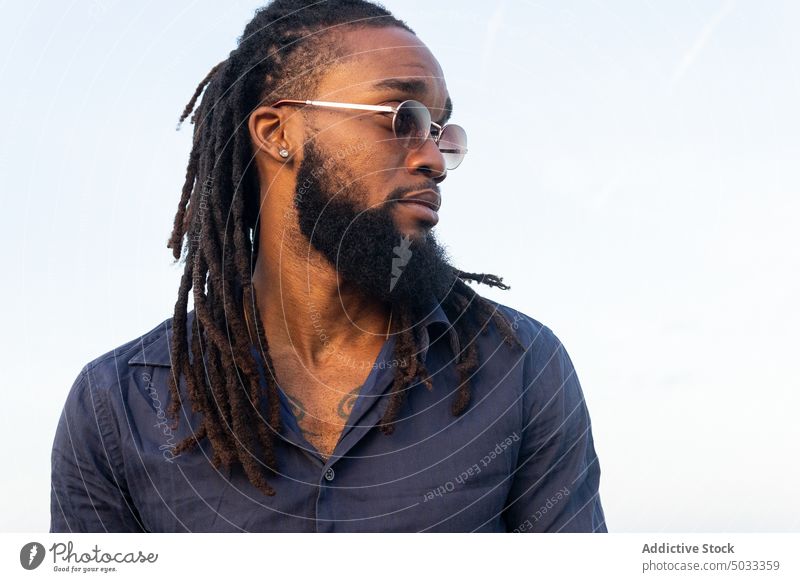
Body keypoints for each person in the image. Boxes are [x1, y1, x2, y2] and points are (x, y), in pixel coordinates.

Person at [50, 0, 607, 533]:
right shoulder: (119, 407)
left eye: (441, 132)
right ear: (278, 133)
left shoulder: (520, 368)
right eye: (401, 116)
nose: (433, 159)